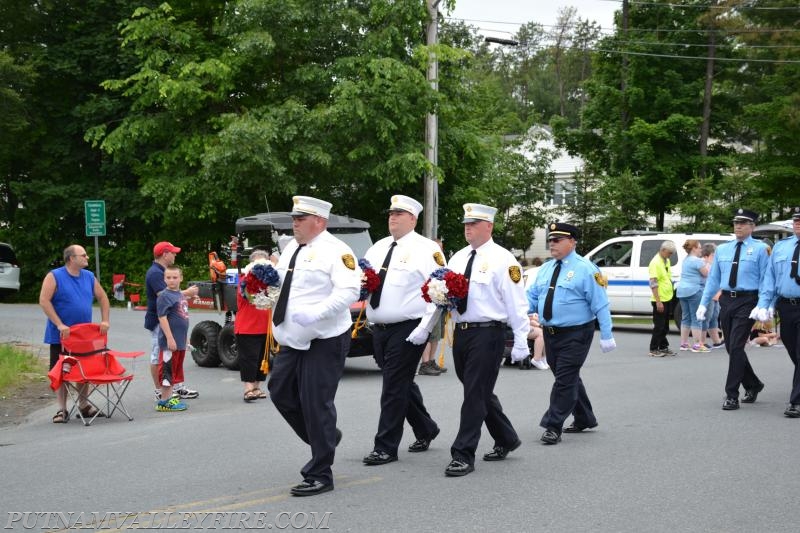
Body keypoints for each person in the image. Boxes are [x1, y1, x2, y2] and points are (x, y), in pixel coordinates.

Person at [268, 195, 360, 496]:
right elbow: (282, 286)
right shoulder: (292, 248)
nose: (294, 223)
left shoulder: (338, 251)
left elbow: (348, 292)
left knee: (316, 402)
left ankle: (320, 472)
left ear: (319, 221)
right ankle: (326, 437)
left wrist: (316, 313)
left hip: (325, 337)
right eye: (294, 218)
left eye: (300, 218)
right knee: (279, 391)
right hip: (292, 338)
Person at [435, 203, 529, 477]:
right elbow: (447, 294)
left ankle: (463, 453)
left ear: (489, 226)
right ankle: (507, 437)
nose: (468, 228)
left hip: (489, 333)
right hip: (462, 331)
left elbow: (516, 303)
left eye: (474, 223)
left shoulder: (504, 260)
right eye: (466, 224)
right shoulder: (457, 258)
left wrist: (522, 340)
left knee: (474, 393)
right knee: (479, 390)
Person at [361, 195, 441, 466]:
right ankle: (426, 428)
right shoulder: (378, 248)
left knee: (393, 386)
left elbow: (439, 291)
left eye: (399, 213)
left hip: (409, 327)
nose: (392, 217)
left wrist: (425, 328)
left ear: (413, 219)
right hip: (380, 328)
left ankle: (385, 447)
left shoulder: (426, 249)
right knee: (401, 382)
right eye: (391, 213)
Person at [526, 223, 616, 445]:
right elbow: (532, 298)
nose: (552, 243)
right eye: (550, 240)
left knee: (565, 379)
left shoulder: (587, 269)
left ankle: (552, 425)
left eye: (557, 240)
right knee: (566, 377)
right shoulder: (546, 269)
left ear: (572, 242)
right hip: (550, 333)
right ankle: (585, 417)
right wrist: (516, 313)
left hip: (576, 333)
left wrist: (607, 333)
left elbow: (601, 304)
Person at [697, 208, 771, 411]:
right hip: (727, 300)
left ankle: (731, 395)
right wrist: (704, 303)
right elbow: (713, 279)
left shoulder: (761, 249)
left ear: (752, 226)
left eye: (743, 223)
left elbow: (766, 279)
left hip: (748, 300)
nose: (738, 226)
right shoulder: (723, 249)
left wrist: (764, 304)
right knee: (731, 347)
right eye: (736, 222)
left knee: (736, 346)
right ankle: (754, 384)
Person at [39, 244, 111, 423]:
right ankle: (61, 409)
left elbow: (102, 297)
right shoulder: (55, 276)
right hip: (62, 335)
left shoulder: (89, 276)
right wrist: (59, 324)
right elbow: (44, 301)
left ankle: (83, 405)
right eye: (83, 255)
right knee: (61, 371)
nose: (87, 258)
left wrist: (105, 320)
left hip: (84, 335)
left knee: (83, 368)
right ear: (71, 259)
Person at [759, 206, 800, 417]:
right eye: (796, 221)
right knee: (793, 350)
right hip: (786, 306)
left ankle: (796, 402)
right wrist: (765, 305)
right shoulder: (781, 247)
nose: (798, 224)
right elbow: (771, 278)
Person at [144, 241, 199, 400]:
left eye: (175, 277)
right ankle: (160, 391)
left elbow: (174, 297)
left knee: (176, 355)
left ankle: (176, 386)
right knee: (159, 356)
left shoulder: (164, 270)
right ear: (164, 254)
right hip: (159, 322)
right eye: (173, 252)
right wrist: (187, 292)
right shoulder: (155, 272)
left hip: (175, 323)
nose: (175, 255)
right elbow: (164, 295)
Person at [236, 249, 271, 402]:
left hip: (266, 327)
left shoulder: (271, 282)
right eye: (257, 262)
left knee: (262, 359)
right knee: (249, 359)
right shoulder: (244, 280)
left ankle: (257, 387)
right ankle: (248, 389)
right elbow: (248, 295)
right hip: (247, 327)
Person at [156, 265, 191, 412]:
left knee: (175, 370)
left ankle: (169, 397)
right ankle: (164, 401)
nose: (171, 280)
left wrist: (186, 339)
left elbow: (184, 317)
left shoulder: (180, 295)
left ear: (181, 278)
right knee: (167, 370)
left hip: (180, 341)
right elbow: (162, 318)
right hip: (170, 342)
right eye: (168, 277)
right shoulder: (164, 296)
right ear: (164, 279)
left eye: (175, 277)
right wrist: (169, 338)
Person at [418, 238, 448, 376]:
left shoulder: (440, 262)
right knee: (428, 334)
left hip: (439, 303)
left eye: (440, 248)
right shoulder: (424, 260)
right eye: (437, 247)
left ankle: (431, 361)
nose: (439, 250)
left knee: (436, 334)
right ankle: (424, 363)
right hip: (427, 304)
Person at [677, 240, 710, 352]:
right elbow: (706, 274)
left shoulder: (685, 260)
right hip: (694, 290)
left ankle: (684, 344)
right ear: (694, 248)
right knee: (697, 317)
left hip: (682, 290)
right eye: (699, 247)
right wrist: (708, 264)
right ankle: (697, 345)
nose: (701, 250)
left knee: (685, 317)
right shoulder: (698, 261)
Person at [648, 241, 677, 357]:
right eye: (669, 253)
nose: (670, 255)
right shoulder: (655, 263)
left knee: (665, 326)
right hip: (659, 299)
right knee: (659, 326)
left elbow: (667, 278)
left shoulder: (666, 261)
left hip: (667, 296)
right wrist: (658, 301)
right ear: (663, 250)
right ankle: (653, 349)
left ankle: (663, 346)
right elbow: (653, 283)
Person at [700, 243, 724, 349]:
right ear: (707, 255)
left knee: (714, 316)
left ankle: (716, 340)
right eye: (714, 255)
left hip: (716, 294)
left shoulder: (712, 264)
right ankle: (702, 341)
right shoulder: (703, 264)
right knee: (706, 317)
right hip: (708, 295)